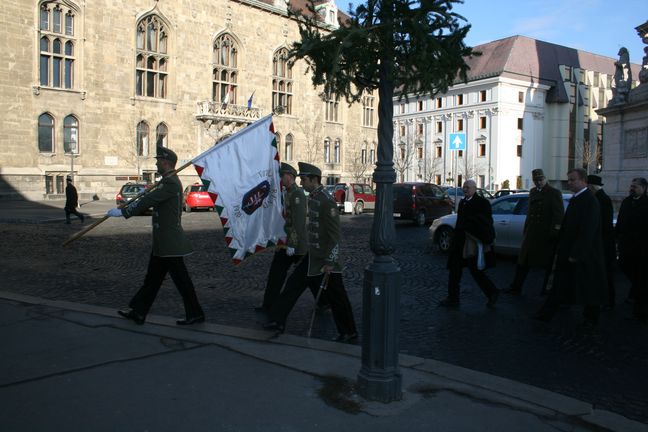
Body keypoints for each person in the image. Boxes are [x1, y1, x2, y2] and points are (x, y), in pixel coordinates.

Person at [106, 147, 204, 326]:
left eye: (158, 160)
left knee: (181, 282)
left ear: (166, 163)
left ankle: (195, 313)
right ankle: (138, 312)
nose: (156, 163)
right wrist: (124, 208)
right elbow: (150, 198)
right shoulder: (167, 181)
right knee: (152, 280)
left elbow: (148, 201)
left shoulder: (171, 183)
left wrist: (125, 212)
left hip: (170, 243)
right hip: (164, 243)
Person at [264, 162, 357, 341]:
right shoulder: (314, 197)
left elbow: (334, 236)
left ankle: (349, 331)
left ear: (314, 180)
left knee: (337, 297)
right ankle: (277, 320)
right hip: (313, 257)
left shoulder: (326, 201)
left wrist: (331, 261)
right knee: (292, 285)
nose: (302, 182)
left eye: (304, 179)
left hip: (325, 260)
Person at [535, 168, 607, 327]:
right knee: (560, 284)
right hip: (569, 251)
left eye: (572, 180)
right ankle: (546, 313)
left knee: (588, 287)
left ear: (583, 181)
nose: (569, 183)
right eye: (568, 180)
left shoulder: (590, 201)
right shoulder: (577, 199)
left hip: (583, 255)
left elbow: (588, 230)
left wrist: (576, 253)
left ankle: (591, 317)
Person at [256, 162, 309, 312]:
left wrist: (292, 243)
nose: (280, 178)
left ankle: (324, 301)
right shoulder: (287, 192)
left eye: (282, 175)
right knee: (275, 274)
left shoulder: (297, 194)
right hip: (284, 242)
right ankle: (268, 305)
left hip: (295, 245)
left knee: (309, 278)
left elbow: (298, 222)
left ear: (290, 177)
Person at [440, 179, 499, 308]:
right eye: (464, 187)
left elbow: (486, 221)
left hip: (472, 242)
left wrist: (471, 225)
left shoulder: (482, 203)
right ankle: (453, 299)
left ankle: (492, 293)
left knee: (476, 271)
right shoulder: (462, 202)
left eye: (468, 187)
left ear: (474, 188)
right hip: (459, 243)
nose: (465, 189)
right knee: (454, 271)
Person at [506, 169, 563, 295]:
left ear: (545, 179)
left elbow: (558, 215)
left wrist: (554, 232)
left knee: (546, 265)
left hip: (545, 234)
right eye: (536, 180)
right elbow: (530, 213)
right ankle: (516, 287)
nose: (538, 182)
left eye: (540, 180)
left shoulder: (554, 193)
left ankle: (548, 290)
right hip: (532, 233)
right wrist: (526, 229)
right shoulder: (532, 192)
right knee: (523, 261)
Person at [615, 177, 648, 324]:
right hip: (625, 246)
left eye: (635, 186)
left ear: (644, 188)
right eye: (631, 185)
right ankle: (636, 291)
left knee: (641, 279)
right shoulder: (627, 201)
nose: (631, 188)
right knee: (626, 268)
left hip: (642, 249)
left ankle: (640, 312)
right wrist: (616, 238)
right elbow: (621, 221)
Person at [587, 174, 616, 308]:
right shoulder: (600, 198)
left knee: (605, 274)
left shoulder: (601, 199)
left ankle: (608, 301)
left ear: (591, 187)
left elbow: (603, 224)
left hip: (603, 243)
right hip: (603, 241)